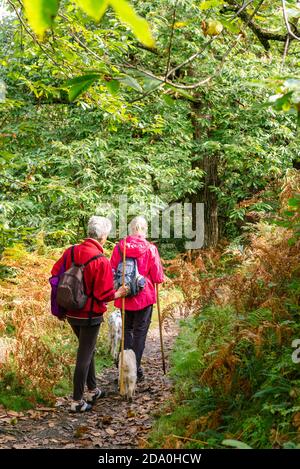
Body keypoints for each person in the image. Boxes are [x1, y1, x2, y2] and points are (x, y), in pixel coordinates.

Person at [51, 216, 127, 412]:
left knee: (88, 348)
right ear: (102, 236)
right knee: (84, 354)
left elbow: (55, 273)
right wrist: (119, 293)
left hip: (71, 311)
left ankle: (92, 390)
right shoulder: (100, 260)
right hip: (90, 315)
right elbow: (104, 294)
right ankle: (76, 401)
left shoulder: (71, 252)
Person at [110, 216, 164, 382]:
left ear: (131, 229)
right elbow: (158, 277)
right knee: (140, 333)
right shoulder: (150, 248)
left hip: (124, 296)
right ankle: (134, 370)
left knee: (126, 332)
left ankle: (124, 369)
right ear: (145, 230)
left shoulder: (120, 247)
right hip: (143, 297)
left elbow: (111, 269)